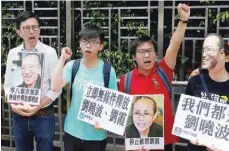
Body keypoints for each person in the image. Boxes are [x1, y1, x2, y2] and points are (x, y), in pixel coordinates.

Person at [119, 3, 190, 151]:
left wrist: (183, 21)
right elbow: (122, 112)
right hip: (137, 144)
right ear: (134, 56)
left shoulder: (164, 70)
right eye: (141, 51)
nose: (146, 55)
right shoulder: (126, 80)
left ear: (155, 54)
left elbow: (174, 44)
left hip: (163, 142)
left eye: (150, 50)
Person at [51, 25, 118, 151]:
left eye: (93, 42)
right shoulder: (72, 66)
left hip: (96, 135)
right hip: (72, 131)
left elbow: (113, 103)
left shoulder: (108, 70)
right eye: (85, 41)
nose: (88, 46)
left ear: (101, 46)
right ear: (80, 44)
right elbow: (55, 87)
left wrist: (104, 122)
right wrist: (62, 59)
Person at [3, 11, 61, 151]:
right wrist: (13, 105)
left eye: (35, 27)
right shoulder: (13, 54)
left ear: (39, 29)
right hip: (19, 116)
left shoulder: (49, 52)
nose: (31, 31)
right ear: (18, 31)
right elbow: (8, 84)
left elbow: (57, 88)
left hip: (43, 116)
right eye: (26, 28)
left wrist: (39, 105)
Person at [185, 34, 229, 151]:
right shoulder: (195, 82)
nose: (204, 54)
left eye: (209, 50)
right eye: (203, 50)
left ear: (222, 54)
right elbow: (185, 119)